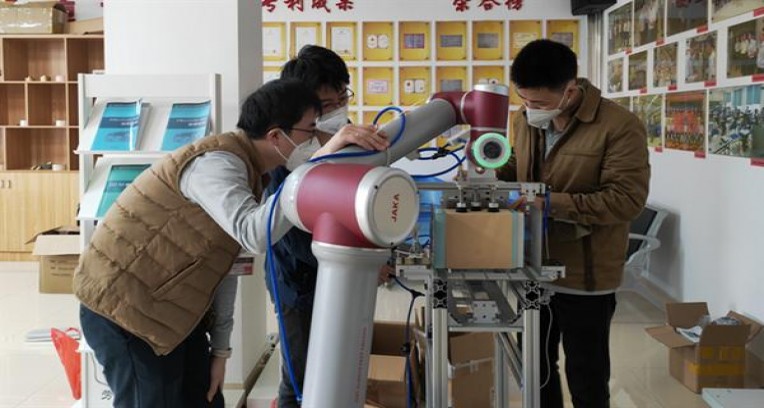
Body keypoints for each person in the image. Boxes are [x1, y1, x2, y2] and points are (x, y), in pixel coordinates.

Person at [74, 78, 387, 408]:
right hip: (125, 308)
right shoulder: (216, 164)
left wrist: (220, 352)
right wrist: (314, 168)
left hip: (172, 311)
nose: (317, 140)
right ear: (276, 136)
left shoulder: (250, 175)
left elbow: (224, 267)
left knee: (206, 400)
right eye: (310, 131)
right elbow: (255, 233)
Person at [498, 39, 650, 408]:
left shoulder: (618, 126)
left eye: (538, 103)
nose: (529, 109)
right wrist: (487, 170)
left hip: (586, 272)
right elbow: (516, 166)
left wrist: (550, 203)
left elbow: (625, 200)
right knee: (535, 368)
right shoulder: (524, 119)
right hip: (532, 264)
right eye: (523, 99)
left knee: (586, 373)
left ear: (569, 90)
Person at [266, 44, 393, 408]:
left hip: (344, 278)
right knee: (301, 379)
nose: (338, 110)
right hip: (298, 284)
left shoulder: (349, 143)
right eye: (327, 104)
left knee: (339, 370)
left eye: (342, 97)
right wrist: (359, 263)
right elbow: (288, 236)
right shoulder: (283, 152)